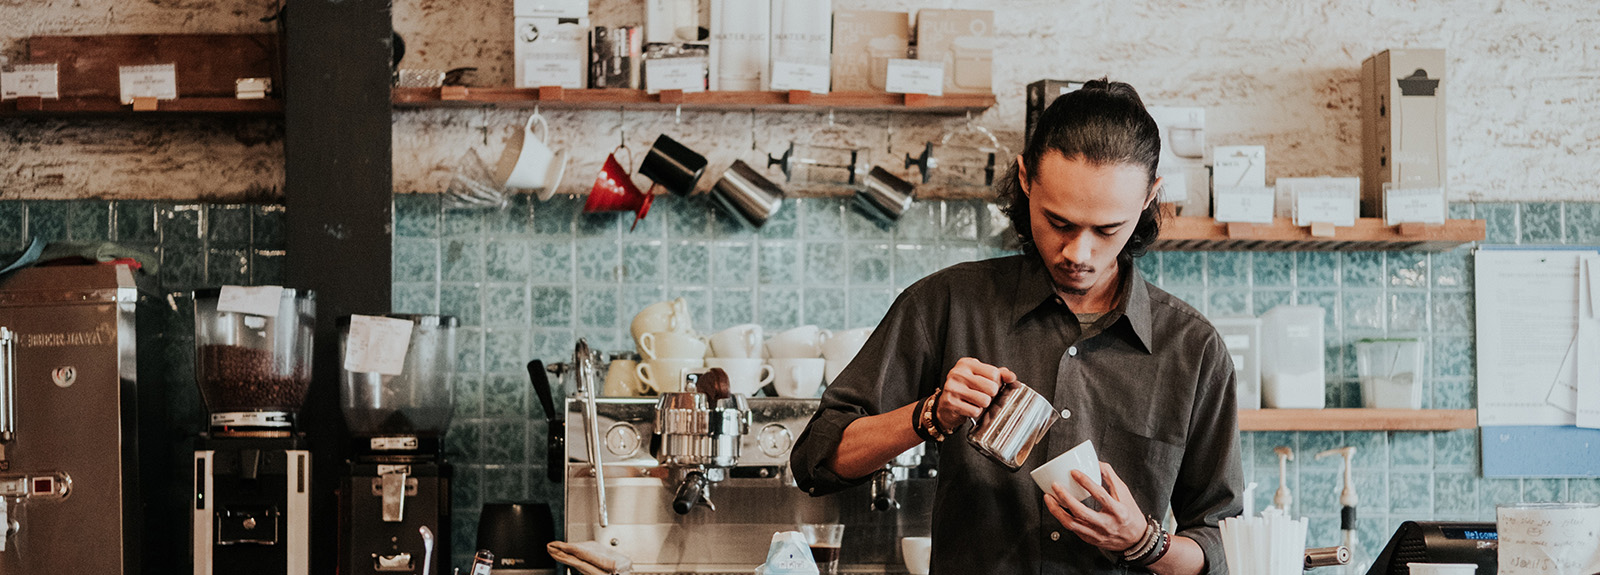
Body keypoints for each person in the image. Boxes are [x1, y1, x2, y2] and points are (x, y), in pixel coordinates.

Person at [789, 79, 1243, 574]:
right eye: (1060, 222)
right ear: (1025, 179)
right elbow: (817, 460)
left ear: (1150, 198)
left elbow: (1219, 545)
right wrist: (930, 414)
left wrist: (1141, 541)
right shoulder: (947, 304)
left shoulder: (1193, 348)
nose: (1078, 253)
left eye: (1107, 230)